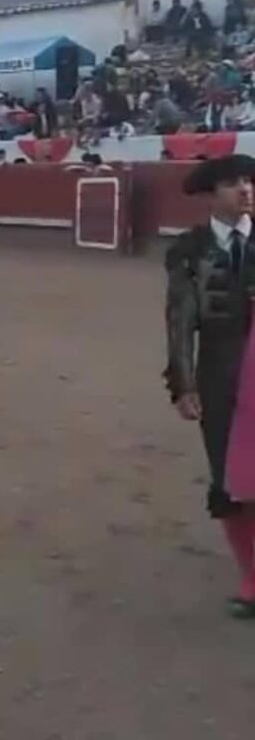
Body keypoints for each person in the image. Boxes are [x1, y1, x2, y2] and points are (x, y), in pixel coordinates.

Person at [164, 155, 255, 617]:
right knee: (231, 479)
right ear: (210, 195)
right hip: (220, 378)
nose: (245, 190)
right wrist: (182, 383)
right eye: (232, 184)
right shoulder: (190, 251)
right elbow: (180, 321)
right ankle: (251, 578)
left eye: (248, 181)